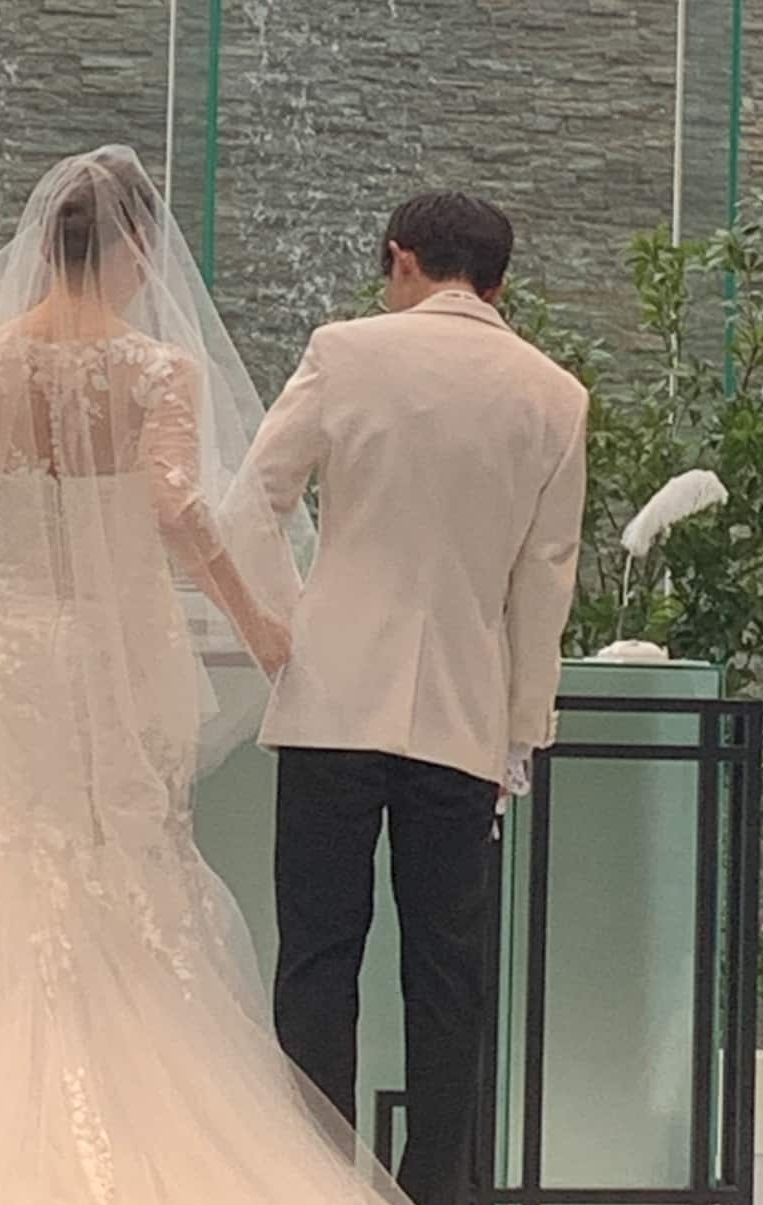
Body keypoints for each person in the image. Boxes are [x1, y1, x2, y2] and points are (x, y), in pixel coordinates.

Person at [0, 146, 414, 1204]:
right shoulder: (156, 369)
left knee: (19, 861)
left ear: (44, 247)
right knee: (129, 864)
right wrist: (257, 618)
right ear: (133, 249)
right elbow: (173, 508)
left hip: (14, 650)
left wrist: (17, 548)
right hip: (121, 653)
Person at [242, 191, 589, 1205]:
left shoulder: (345, 352)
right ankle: (435, 1187)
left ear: (401, 259)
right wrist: (521, 730)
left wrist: (286, 627)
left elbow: (251, 501)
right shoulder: (554, 394)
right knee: (447, 970)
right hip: (462, 715)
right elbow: (545, 580)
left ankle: (314, 1179)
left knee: (318, 954)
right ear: (499, 281)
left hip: (330, 700)